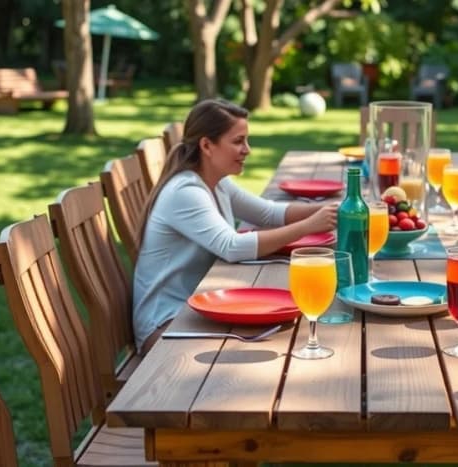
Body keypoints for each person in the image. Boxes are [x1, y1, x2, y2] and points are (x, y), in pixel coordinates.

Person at [133, 99, 337, 354]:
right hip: (166, 325)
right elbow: (232, 247)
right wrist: (309, 225)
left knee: (279, 334)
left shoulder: (216, 182)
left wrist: (338, 209)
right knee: (275, 344)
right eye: (238, 141)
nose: (247, 150)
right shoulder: (185, 191)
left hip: (192, 311)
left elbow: (269, 213)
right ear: (207, 145)